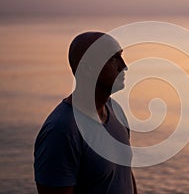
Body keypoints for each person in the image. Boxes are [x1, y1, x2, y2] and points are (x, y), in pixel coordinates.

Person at [34, 32, 137, 194]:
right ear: (88, 69)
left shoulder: (116, 110)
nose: (124, 66)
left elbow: (124, 174)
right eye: (112, 59)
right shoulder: (62, 131)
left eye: (121, 56)